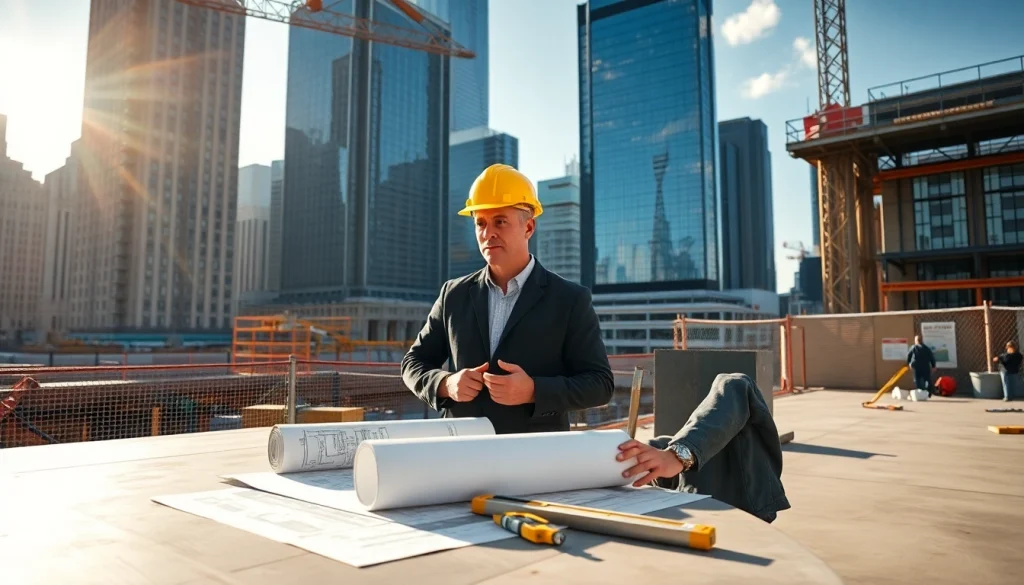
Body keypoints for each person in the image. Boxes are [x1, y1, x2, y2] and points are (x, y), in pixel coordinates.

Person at [401, 163, 614, 434]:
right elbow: (413, 362)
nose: (488, 233)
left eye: (500, 221)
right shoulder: (453, 294)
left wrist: (534, 390)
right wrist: (446, 384)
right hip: (461, 454)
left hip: (535, 458)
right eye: (480, 223)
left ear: (529, 227)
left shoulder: (570, 299)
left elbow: (600, 384)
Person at [614, 373, 791, 523]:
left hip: (739, 503)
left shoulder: (734, 388)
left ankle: (679, 453)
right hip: (693, 503)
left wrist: (678, 455)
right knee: (653, 447)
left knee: (731, 382)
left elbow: (737, 384)